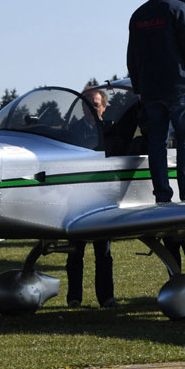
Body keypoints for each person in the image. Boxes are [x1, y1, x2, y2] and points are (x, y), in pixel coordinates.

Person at [126, 0, 185, 204]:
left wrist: (138, 85)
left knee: (156, 143)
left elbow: (131, 55)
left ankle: (162, 195)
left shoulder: (138, 15)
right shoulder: (179, 8)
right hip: (179, 87)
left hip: (150, 91)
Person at [66, 88, 117, 308]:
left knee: (103, 253)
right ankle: (74, 298)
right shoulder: (71, 130)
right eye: (87, 104)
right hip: (77, 196)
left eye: (96, 104)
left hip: (102, 198)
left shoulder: (111, 130)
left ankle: (106, 298)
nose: (91, 108)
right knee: (75, 253)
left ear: (104, 108)